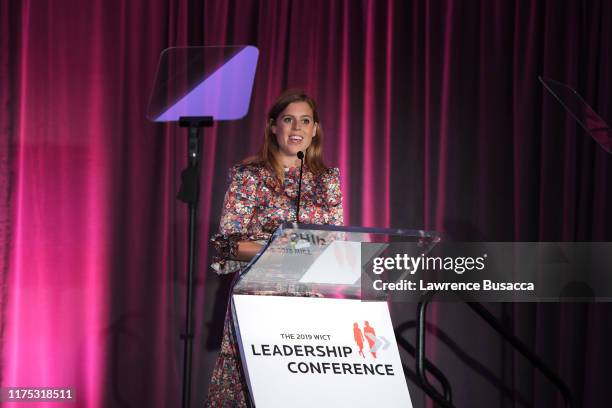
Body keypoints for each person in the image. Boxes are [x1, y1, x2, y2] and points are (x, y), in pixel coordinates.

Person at [205, 90, 344, 406]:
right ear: (273, 127)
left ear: (315, 129)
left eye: (305, 120)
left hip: (310, 310)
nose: (297, 128)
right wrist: (288, 250)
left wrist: (297, 249)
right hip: (258, 303)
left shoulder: (328, 181)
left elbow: (335, 246)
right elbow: (228, 245)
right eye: (288, 119)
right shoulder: (249, 177)